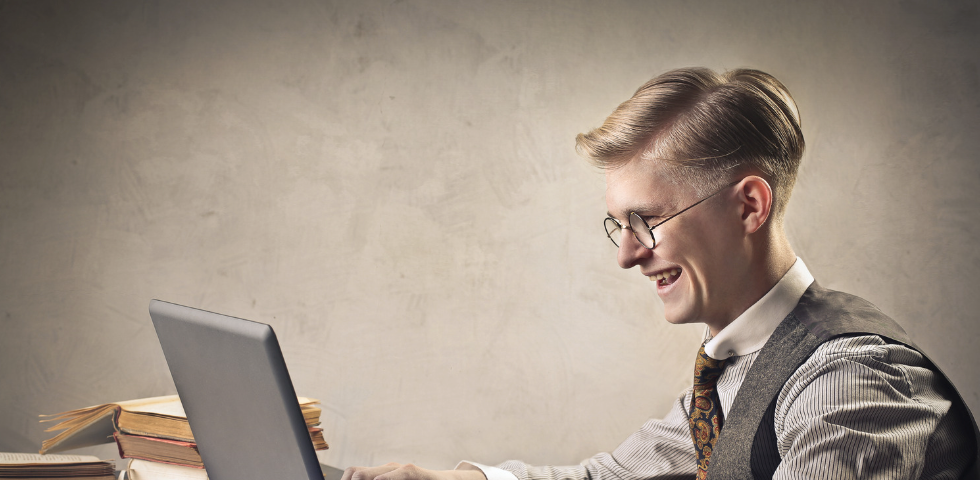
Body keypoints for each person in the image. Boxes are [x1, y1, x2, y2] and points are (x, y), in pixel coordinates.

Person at [342, 67, 978, 480]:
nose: (626, 255)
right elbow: (614, 475)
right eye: (618, 225)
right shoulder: (739, 367)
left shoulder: (849, 381)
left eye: (647, 219)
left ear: (750, 206)